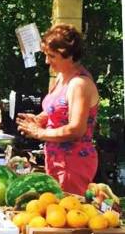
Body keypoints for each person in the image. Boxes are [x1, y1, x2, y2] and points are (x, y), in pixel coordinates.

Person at [16, 24, 99, 194]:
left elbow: (76, 129)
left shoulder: (79, 84)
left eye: (51, 56)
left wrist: (39, 133)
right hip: (56, 158)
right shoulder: (62, 77)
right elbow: (58, 110)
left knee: (68, 212)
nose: (47, 61)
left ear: (69, 56)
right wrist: (40, 118)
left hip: (73, 163)